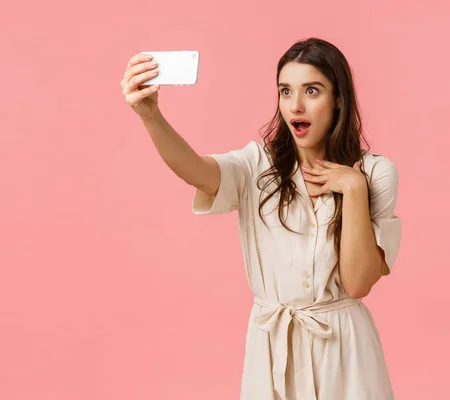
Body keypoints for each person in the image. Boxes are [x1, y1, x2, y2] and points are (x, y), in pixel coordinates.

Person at [121, 37, 401, 400]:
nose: (295, 105)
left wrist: (354, 189)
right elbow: (196, 170)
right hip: (272, 348)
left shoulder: (375, 173)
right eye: (286, 91)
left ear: (338, 100)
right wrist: (151, 117)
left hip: (345, 351)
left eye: (312, 91)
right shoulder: (258, 166)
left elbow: (358, 283)